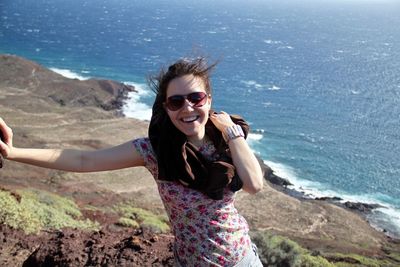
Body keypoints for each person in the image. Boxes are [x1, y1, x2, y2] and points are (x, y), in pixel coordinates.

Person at [0, 57, 264, 266]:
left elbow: (253, 185)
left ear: (209, 100)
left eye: (196, 98)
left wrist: (232, 133)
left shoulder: (226, 140)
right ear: (166, 108)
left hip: (239, 260)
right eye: (176, 101)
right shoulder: (154, 151)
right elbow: (83, 160)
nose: (187, 108)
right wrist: (14, 153)